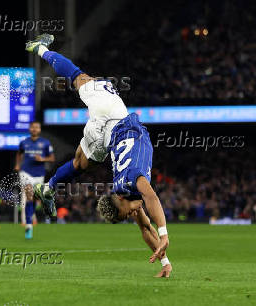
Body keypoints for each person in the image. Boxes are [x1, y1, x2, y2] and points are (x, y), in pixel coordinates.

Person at [27, 34, 171, 276]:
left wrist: (165, 248)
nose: (134, 214)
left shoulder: (131, 185)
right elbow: (149, 216)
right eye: (130, 214)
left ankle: (40, 49)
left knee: (78, 79)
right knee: (81, 162)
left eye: (128, 213)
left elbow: (150, 215)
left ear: (120, 199)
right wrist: (165, 248)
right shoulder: (130, 187)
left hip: (109, 125)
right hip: (110, 128)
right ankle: (49, 187)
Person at [15, 121, 55, 239]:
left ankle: (30, 219)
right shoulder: (24, 142)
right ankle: (28, 225)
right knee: (29, 194)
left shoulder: (45, 143)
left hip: (39, 174)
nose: (34, 129)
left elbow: (52, 158)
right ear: (30, 129)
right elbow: (19, 154)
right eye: (32, 127)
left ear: (39, 129)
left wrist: (42, 159)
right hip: (25, 172)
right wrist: (18, 164)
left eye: (36, 127)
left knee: (33, 199)